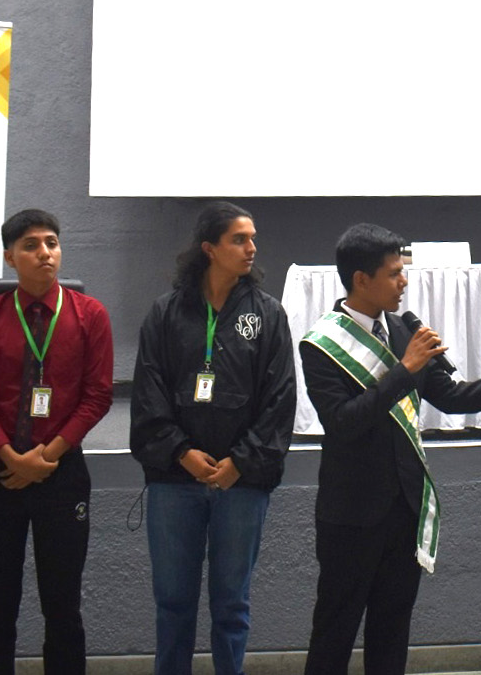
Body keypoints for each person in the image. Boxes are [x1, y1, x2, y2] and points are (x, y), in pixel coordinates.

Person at [300, 223, 481, 675]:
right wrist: (405, 368)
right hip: (351, 511)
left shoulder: (401, 329)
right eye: (394, 273)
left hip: (405, 506)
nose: (403, 282)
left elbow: (452, 396)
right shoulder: (321, 343)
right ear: (361, 280)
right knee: (335, 630)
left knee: (392, 630)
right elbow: (344, 422)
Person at [130, 202, 296, 675]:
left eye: (252, 238)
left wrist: (239, 462)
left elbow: (280, 400)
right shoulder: (165, 313)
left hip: (241, 483)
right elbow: (148, 394)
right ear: (209, 248)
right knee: (173, 604)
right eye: (239, 239)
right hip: (174, 481)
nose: (251, 248)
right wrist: (182, 453)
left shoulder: (268, 315)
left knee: (231, 605)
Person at [0, 209, 113, 675]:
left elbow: (97, 396)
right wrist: (10, 456)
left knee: (63, 608)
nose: (45, 253)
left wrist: (46, 456)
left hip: (61, 474)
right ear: (10, 258)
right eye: (30, 245)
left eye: (51, 243)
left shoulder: (90, 315)